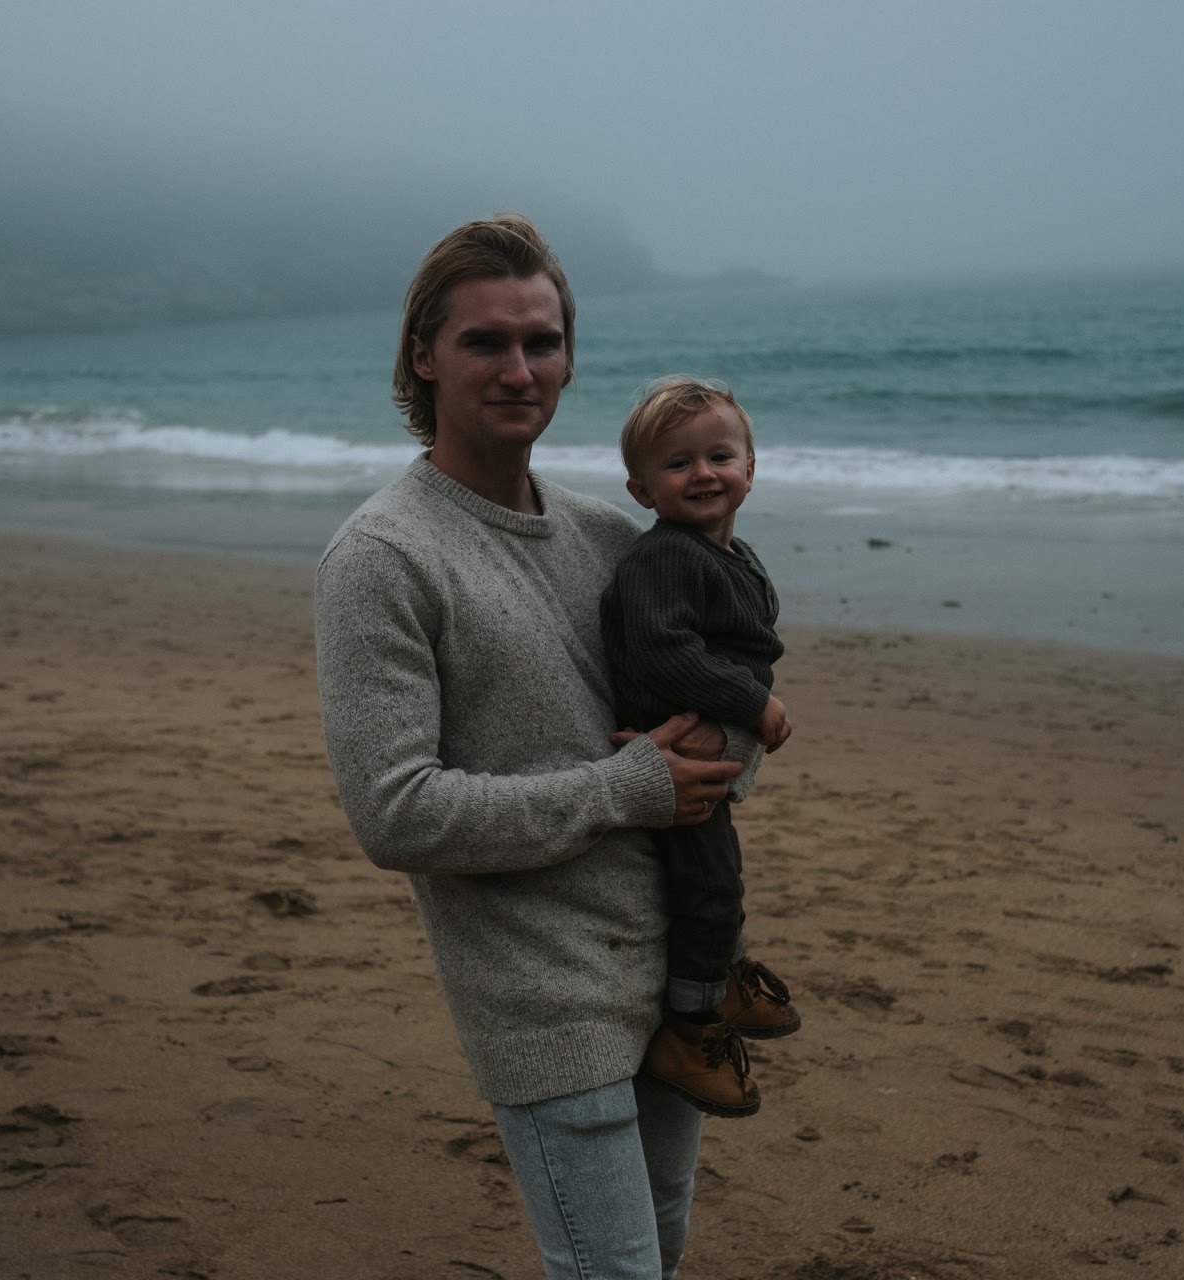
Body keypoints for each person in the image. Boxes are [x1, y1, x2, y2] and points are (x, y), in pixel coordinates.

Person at [314, 214, 749, 1280]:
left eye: (542, 342)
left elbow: (716, 725)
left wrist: (724, 743)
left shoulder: (613, 537)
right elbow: (395, 813)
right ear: (424, 355)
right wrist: (626, 787)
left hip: (676, 983)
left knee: (664, 1247)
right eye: (486, 342)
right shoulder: (382, 557)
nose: (520, 369)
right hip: (542, 1003)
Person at [601, 377, 803, 1120]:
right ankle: (690, 1027)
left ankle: (724, 978)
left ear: (751, 468)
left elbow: (743, 642)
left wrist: (747, 706)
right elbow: (663, 653)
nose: (703, 474)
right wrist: (752, 703)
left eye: (720, 456)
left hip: (702, 746)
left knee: (720, 880)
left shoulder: (730, 554)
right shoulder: (664, 558)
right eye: (678, 463)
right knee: (708, 890)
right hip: (669, 757)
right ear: (641, 489)